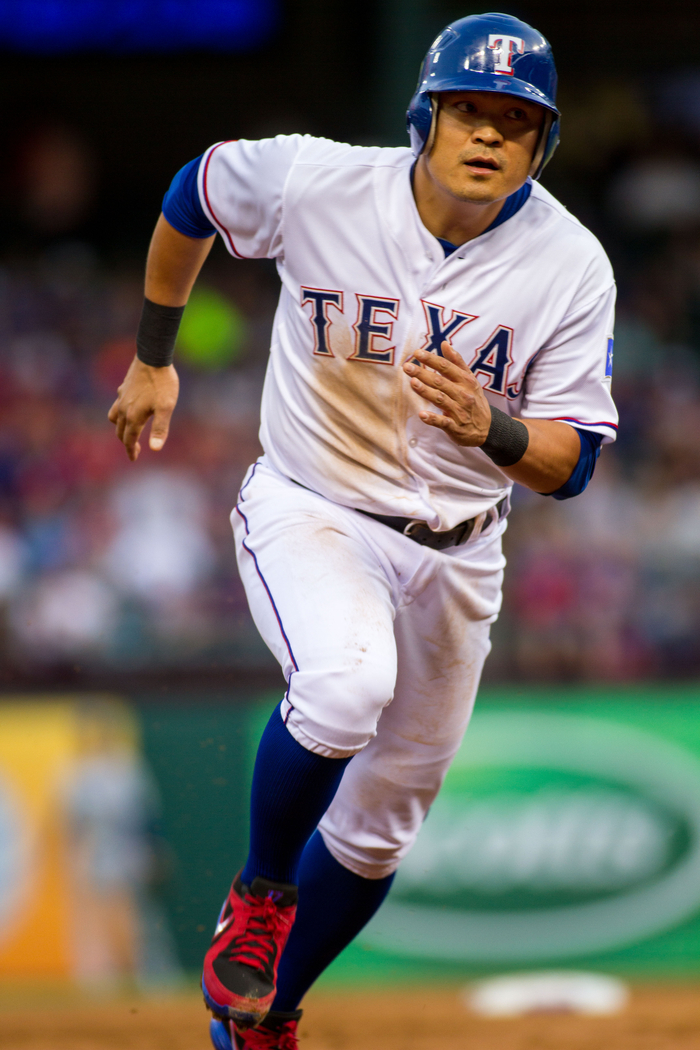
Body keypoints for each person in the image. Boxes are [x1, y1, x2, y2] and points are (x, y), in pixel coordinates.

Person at [108, 13, 618, 1050]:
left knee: (382, 827)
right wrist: (155, 354)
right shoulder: (318, 181)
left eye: (516, 120)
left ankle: (263, 1020)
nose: (489, 134)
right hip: (315, 506)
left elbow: (574, 465)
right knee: (345, 685)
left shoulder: (571, 264)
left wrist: (496, 429)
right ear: (423, 118)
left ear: (543, 143)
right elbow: (192, 192)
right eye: (468, 110)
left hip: (461, 547)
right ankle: (259, 894)